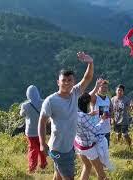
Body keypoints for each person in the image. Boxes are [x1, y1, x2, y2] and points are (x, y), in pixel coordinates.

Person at [38, 51, 94, 180]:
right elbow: (42, 121)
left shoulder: (75, 93)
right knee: (68, 177)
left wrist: (90, 62)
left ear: (73, 82)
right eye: (64, 80)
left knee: (58, 175)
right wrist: (42, 143)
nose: (67, 83)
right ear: (58, 82)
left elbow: (87, 78)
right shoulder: (51, 101)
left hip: (69, 147)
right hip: (58, 148)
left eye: (70, 80)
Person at [74, 92, 112, 180]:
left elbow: (82, 119)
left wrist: (90, 114)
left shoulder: (75, 113)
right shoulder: (84, 117)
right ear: (87, 104)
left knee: (87, 167)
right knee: (101, 173)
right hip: (88, 148)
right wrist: (102, 120)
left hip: (78, 145)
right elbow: (95, 130)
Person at [20, 85, 47, 173]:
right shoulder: (43, 102)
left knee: (32, 149)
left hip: (30, 132)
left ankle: (32, 167)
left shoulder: (25, 105)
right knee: (41, 147)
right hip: (41, 131)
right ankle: (43, 163)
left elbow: (22, 114)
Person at [89, 79, 113, 147]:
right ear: (98, 87)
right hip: (96, 130)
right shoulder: (95, 97)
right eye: (102, 87)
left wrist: (109, 114)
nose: (104, 89)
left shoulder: (108, 98)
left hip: (106, 130)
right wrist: (96, 86)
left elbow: (111, 110)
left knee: (105, 151)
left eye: (106, 87)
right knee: (96, 152)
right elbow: (88, 97)